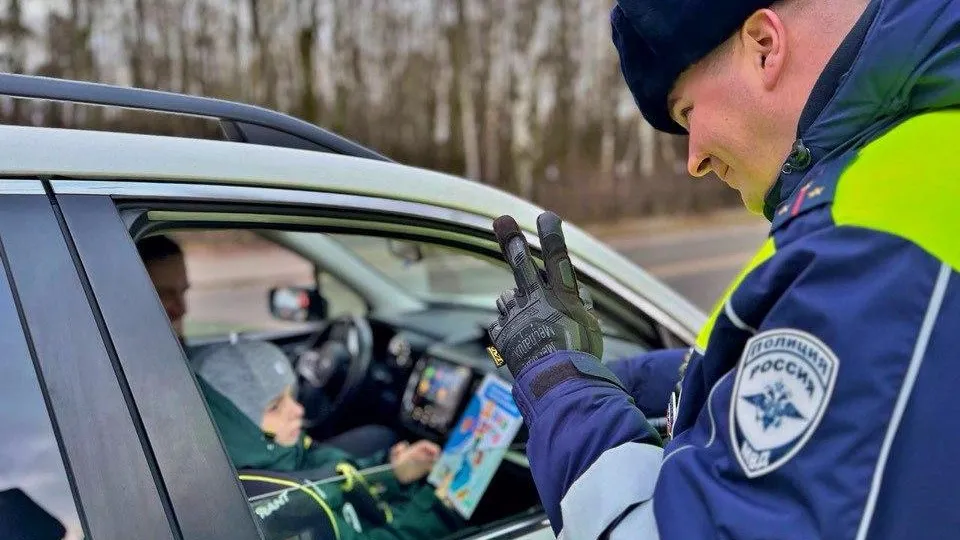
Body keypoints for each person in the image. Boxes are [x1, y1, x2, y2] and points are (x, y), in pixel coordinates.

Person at [486, 0, 960, 538]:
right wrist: (618, 381)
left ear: (764, 47)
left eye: (687, 113)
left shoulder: (871, 239)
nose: (695, 161)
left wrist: (560, 390)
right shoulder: (892, 172)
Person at [135, 234, 398, 458]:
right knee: (382, 437)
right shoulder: (147, 376)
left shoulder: (166, 353)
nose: (183, 309)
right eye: (164, 294)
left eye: (183, 292)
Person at [194, 340, 463, 539]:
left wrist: (391, 474)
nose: (298, 410)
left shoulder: (276, 455)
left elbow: (328, 477)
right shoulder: (279, 513)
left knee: (379, 437)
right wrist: (437, 507)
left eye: (291, 395)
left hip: (368, 515)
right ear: (236, 429)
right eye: (275, 406)